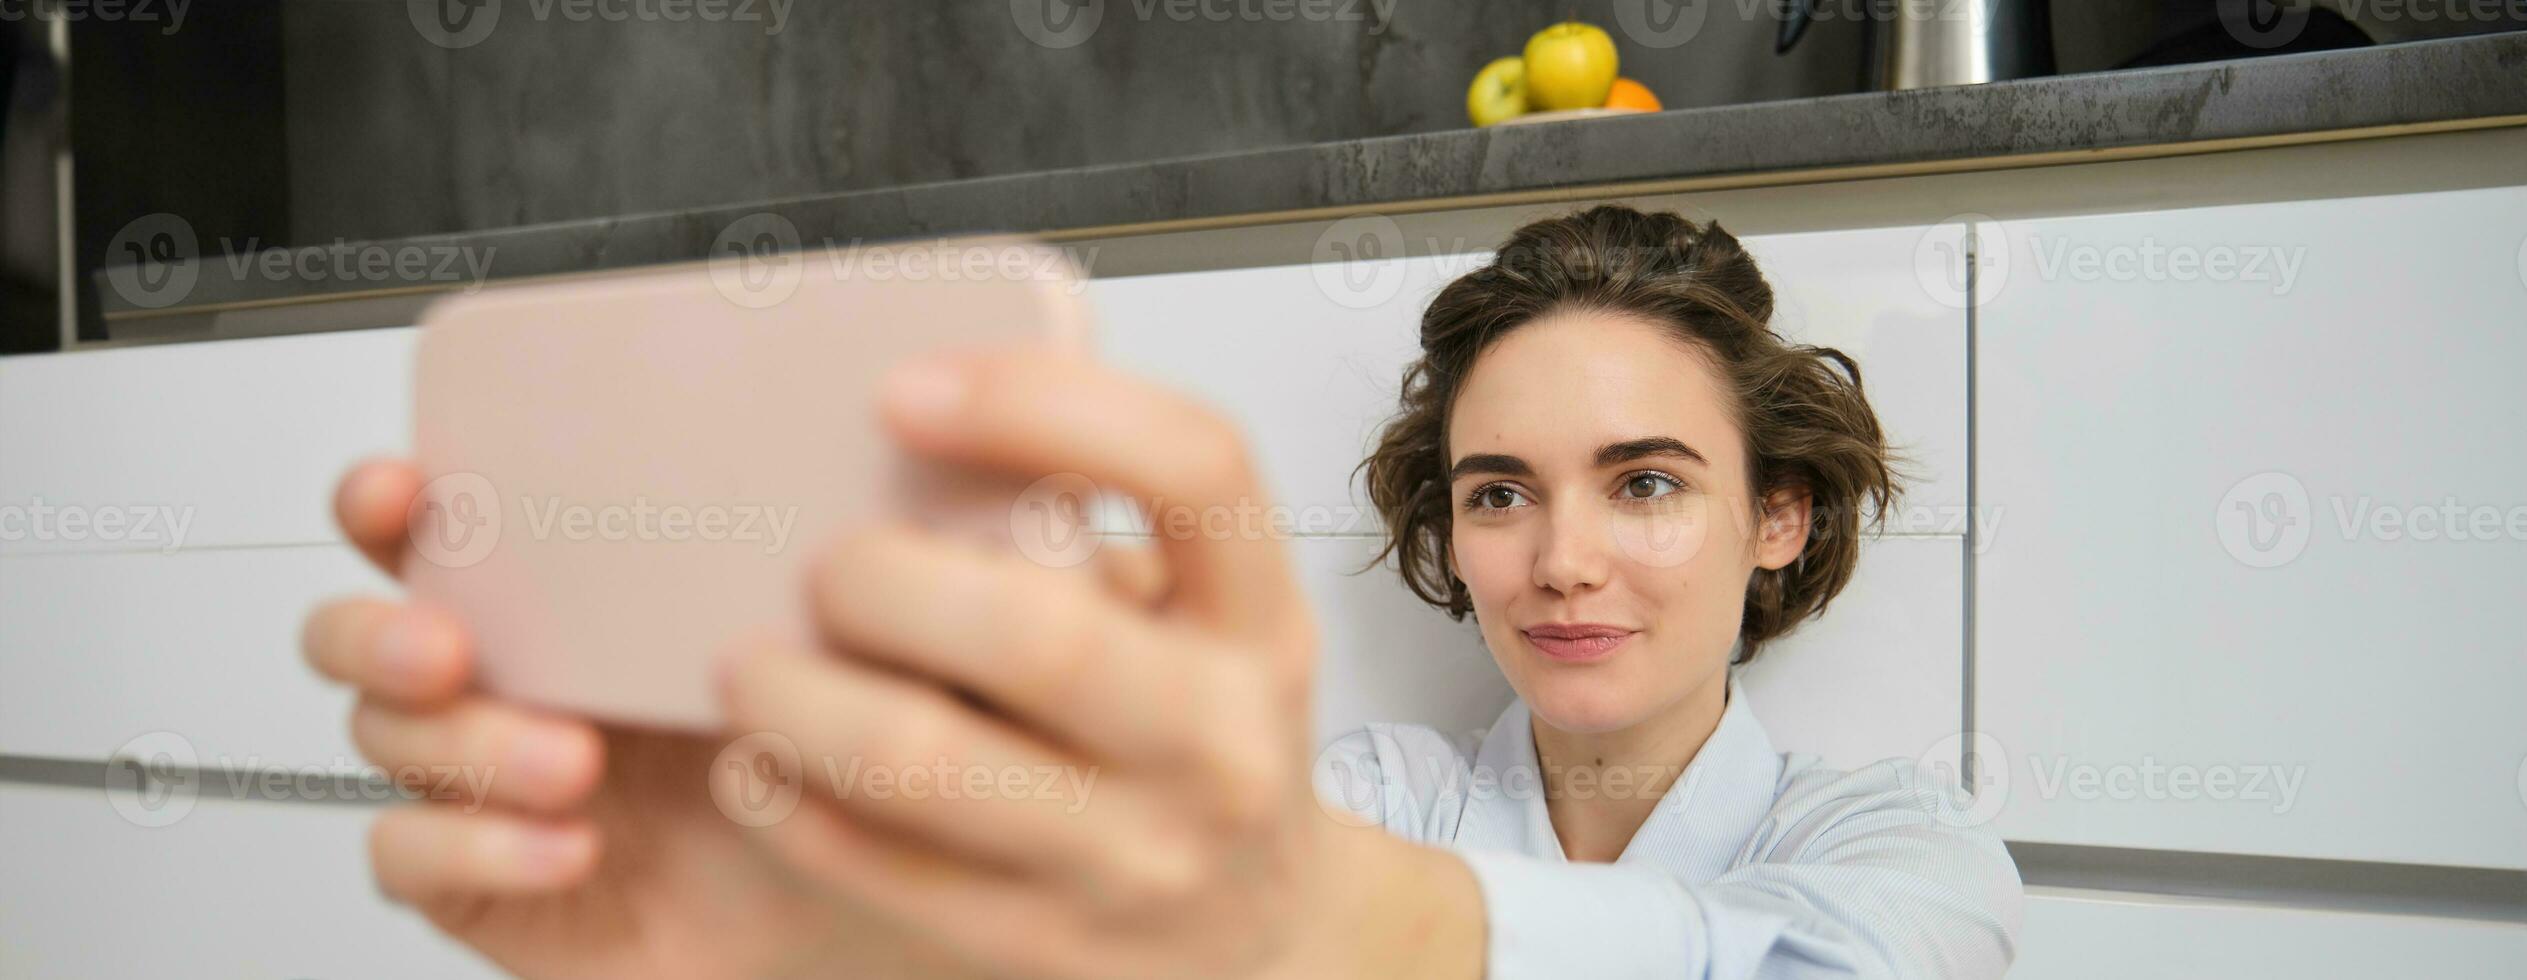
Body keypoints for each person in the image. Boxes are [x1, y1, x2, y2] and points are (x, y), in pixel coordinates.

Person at [302, 203, 2020, 979]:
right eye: (1501, 494)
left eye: (1646, 482)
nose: (1561, 557)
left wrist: (1318, 932)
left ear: (1780, 518)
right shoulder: (1360, 800)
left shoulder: (1901, 848)